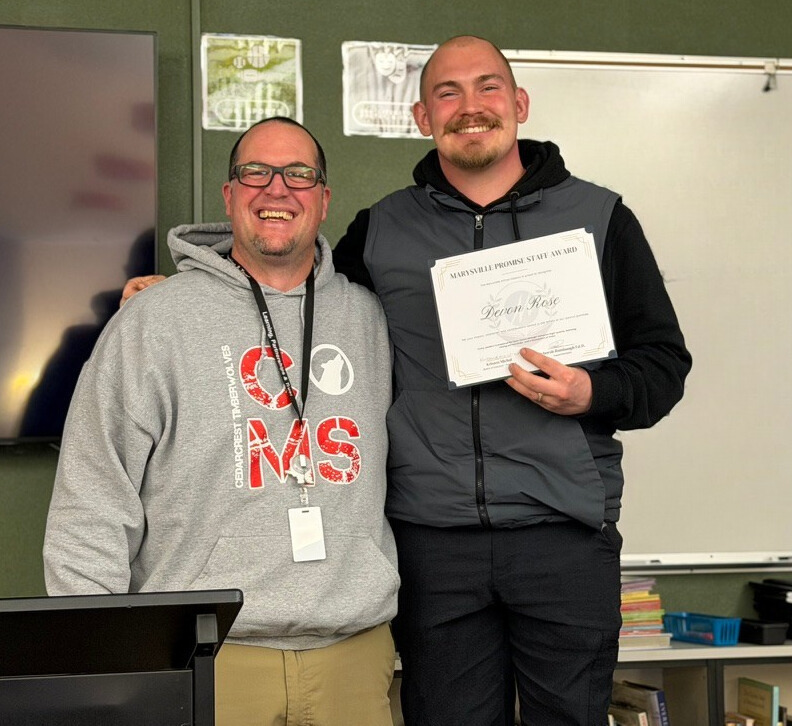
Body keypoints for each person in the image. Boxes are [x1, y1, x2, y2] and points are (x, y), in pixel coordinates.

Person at [120, 35, 692, 726]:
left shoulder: (600, 219)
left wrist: (591, 393)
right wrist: (183, 291)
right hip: (431, 544)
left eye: (487, 87)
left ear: (519, 103)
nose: (469, 107)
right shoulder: (383, 228)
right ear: (422, 117)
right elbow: (289, 291)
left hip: (562, 537)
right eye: (447, 93)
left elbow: (663, 367)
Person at [43, 117, 399, 726]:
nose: (277, 189)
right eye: (255, 172)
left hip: (353, 657)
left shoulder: (369, 318)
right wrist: (97, 666)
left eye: (299, 174)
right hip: (207, 657)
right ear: (230, 195)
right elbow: (92, 501)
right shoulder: (154, 322)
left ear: (324, 199)